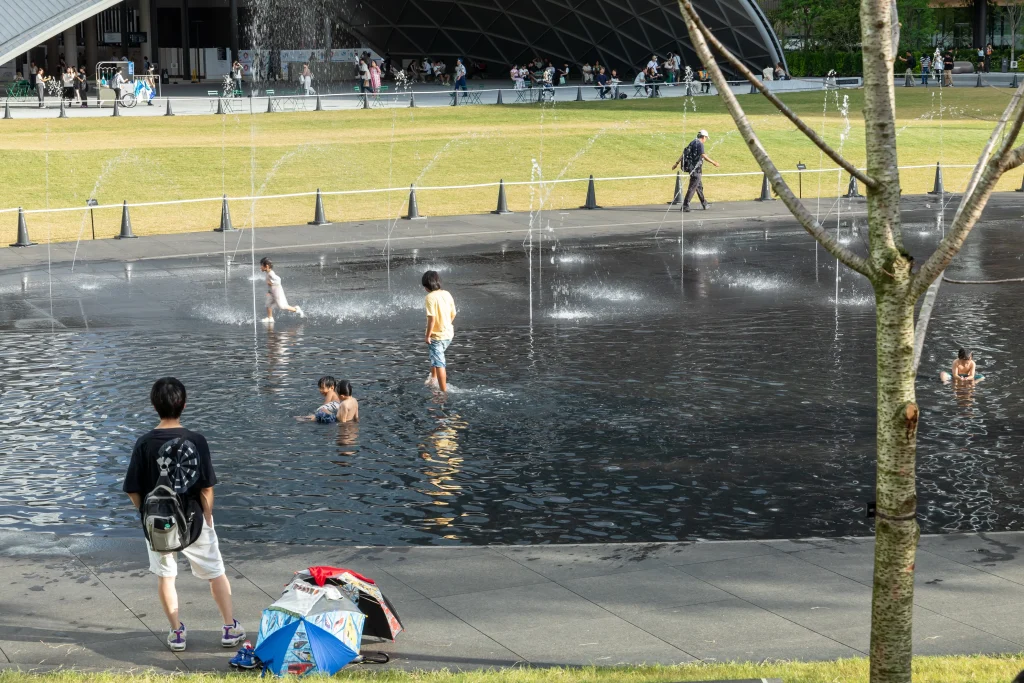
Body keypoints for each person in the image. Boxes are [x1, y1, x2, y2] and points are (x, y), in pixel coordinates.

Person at [122, 377, 246, 653]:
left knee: (166, 577)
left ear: (154, 405)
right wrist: (208, 517)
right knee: (216, 573)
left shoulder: (144, 443)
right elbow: (206, 487)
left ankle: (177, 632)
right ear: (184, 404)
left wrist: (145, 513)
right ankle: (228, 627)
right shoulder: (196, 440)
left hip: (158, 524)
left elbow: (132, 489)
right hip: (194, 520)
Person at [422, 270, 457, 393]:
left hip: (437, 336)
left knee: (439, 363)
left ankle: (443, 392)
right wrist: (446, 324)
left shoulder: (429, 298)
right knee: (435, 356)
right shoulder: (447, 294)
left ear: (426, 287)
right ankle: (433, 378)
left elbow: (432, 318)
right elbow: (454, 313)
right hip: (449, 333)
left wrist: (428, 335)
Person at [672, 129, 719, 212]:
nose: (706, 140)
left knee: (699, 186)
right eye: (706, 138)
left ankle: (704, 203)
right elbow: (703, 155)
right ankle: (685, 205)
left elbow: (684, 153)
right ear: (703, 137)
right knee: (693, 187)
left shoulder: (693, 142)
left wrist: (677, 163)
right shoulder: (700, 144)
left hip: (692, 169)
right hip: (696, 170)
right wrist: (713, 162)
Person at [259, 257, 305, 323]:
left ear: (266, 266)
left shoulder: (271, 274)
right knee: (268, 303)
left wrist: (272, 283)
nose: (260, 267)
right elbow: (270, 284)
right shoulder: (268, 273)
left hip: (277, 292)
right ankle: (270, 318)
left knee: (282, 306)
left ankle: (297, 309)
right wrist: (269, 291)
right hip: (272, 292)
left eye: (261, 266)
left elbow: (279, 280)